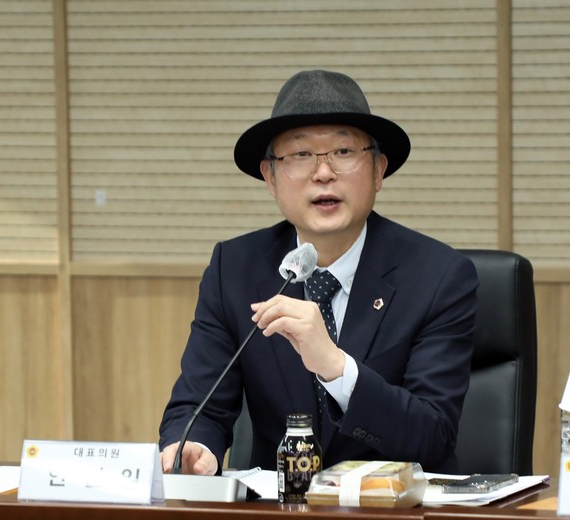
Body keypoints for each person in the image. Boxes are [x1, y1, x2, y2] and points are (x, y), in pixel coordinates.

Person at [159, 69, 478, 476]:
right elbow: (198, 404)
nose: (323, 173)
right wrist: (194, 446)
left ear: (378, 171)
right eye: (300, 154)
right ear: (270, 177)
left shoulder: (439, 277)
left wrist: (336, 366)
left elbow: (433, 436)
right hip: (279, 505)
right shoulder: (234, 269)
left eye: (343, 151)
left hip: (392, 504)